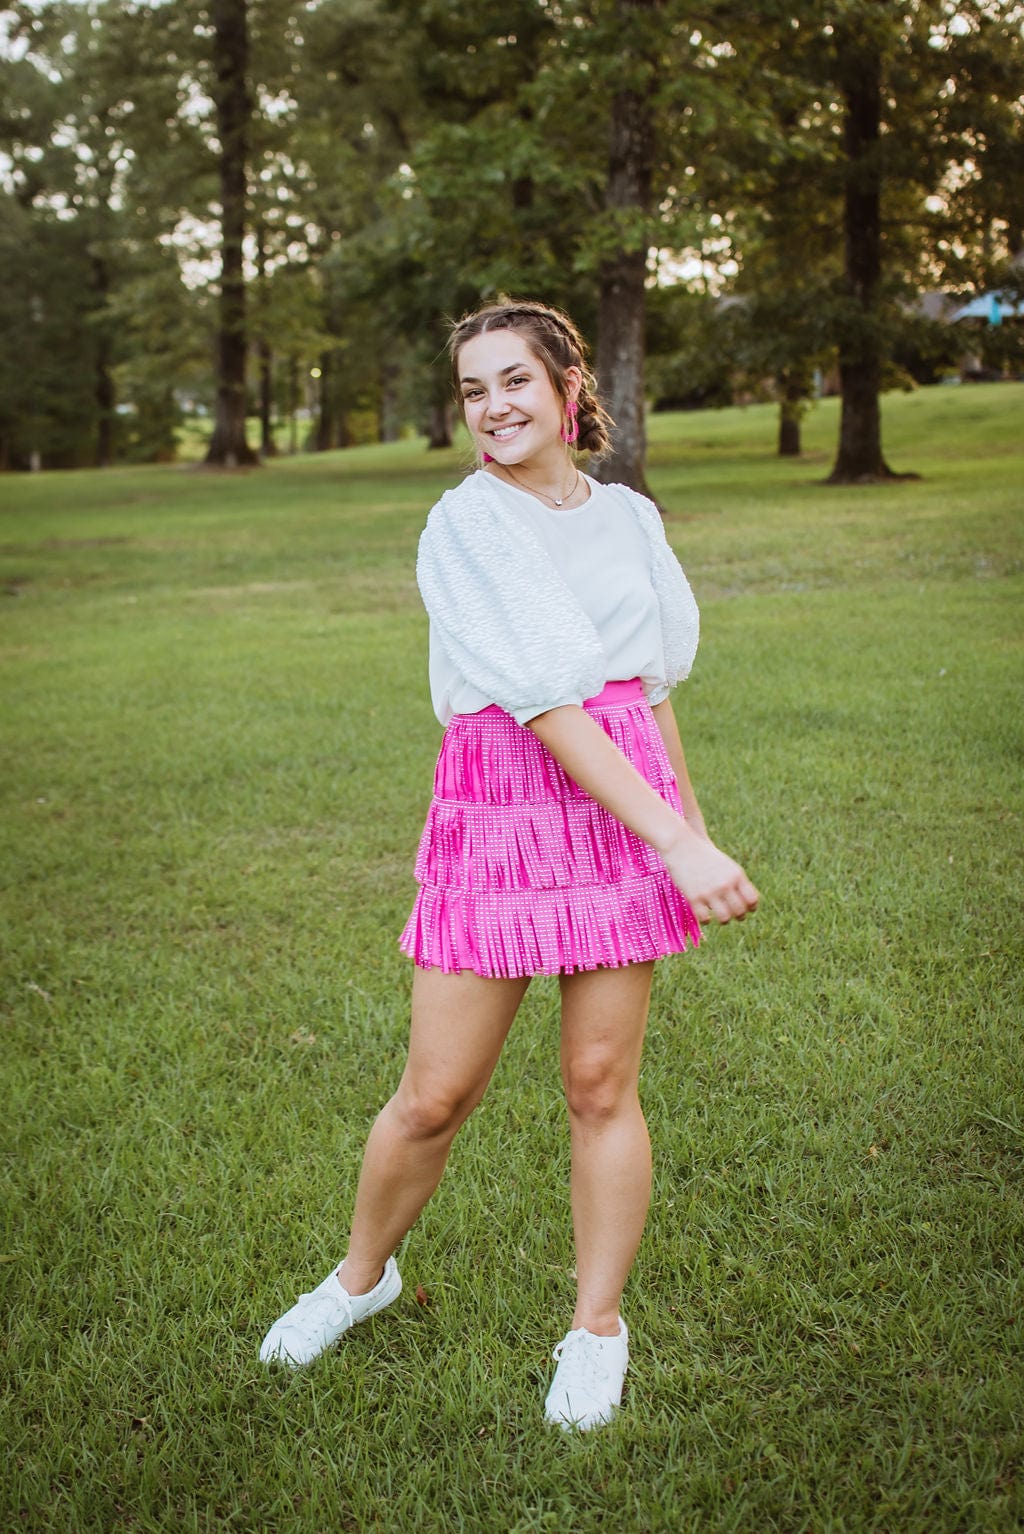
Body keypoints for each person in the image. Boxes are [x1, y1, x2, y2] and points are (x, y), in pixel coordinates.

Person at [259, 299, 759, 1430]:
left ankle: (594, 1328)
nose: (492, 408)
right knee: (435, 1094)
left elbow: (650, 689)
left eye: (514, 383)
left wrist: (688, 824)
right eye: (473, 390)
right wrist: (674, 838)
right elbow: (545, 699)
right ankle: (358, 1278)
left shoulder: (629, 515)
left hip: (625, 803)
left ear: (570, 388)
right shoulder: (464, 525)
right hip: (508, 801)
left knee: (599, 1083)